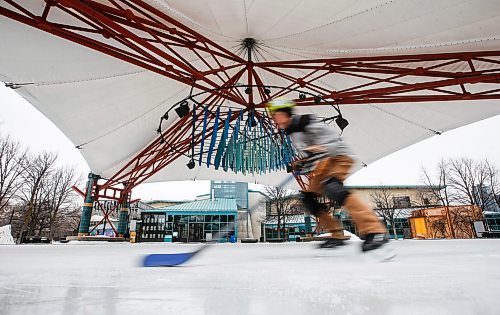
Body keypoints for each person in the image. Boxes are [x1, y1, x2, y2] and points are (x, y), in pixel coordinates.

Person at [267, 98, 389, 252]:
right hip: (323, 162)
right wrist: (302, 162)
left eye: (276, 115)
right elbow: (312, 151)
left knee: (332, 188)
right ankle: (337, 235)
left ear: (285, 113)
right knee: (309, 200)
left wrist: (318, 150)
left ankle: (375, 230)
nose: (274, 120)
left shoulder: (304, 123)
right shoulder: (292, 131)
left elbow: (326, 143)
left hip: (338, 156)